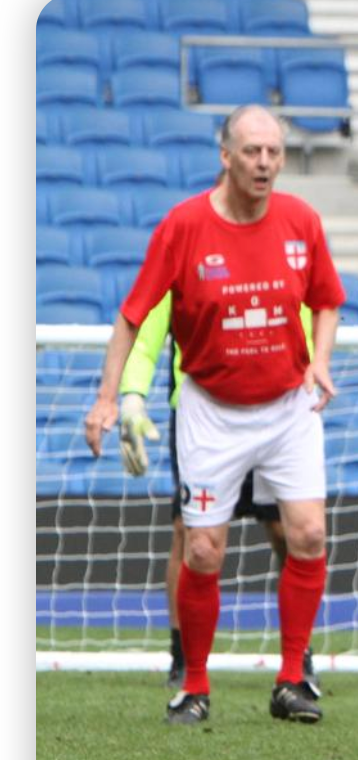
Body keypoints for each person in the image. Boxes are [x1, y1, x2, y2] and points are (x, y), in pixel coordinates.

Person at [85, 104, 343, 726]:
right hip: (210, 411)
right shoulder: (184, 226)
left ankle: (293, 679)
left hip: (288, 407)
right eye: (253, 151)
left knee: (308, 534)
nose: (265, 162)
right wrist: (110, 397)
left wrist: (320, 361)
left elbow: (327, 301)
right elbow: (133, 317)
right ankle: (193, 685)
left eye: (274, 151)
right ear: (225, 156)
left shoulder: (302, 221)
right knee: (202, 548)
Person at [117, 293, 318, 691]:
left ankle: (299, 655)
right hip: (201, 418)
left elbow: (307, 319)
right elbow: (145, 334)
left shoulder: (282, 265)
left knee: (289, 532)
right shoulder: (186, 266)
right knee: (190, 535)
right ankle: (183, 656)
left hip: (275, 412)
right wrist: (131, 398)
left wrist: (310, 372)